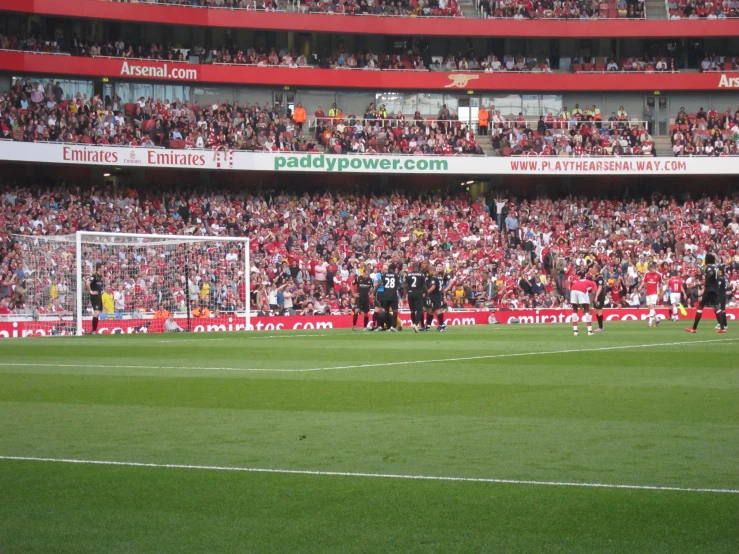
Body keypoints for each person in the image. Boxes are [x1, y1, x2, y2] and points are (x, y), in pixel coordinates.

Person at [685, 254, 725, 333]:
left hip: (709, 289)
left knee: (700, 307)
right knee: (717, 307)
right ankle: (722, 328)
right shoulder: (716, 268)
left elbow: (710, 273)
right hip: (715, 290)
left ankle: (694, 328)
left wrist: (705, 281)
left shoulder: (709, 267)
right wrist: (698, 284)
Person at [377, 263, 400, 332]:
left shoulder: (384, 275)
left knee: (386, 312)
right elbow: (399, 285)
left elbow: (379, 284)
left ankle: (388, 326)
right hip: (393, 295)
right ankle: (393, 326)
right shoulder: (395, 275)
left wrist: (373, 291)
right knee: (395, 311)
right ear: (394, 269)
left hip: (385, 295)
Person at [405, 262, 426, 333]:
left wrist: (404, 296)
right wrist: (427, 295)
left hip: (410, 293)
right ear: (418, 267)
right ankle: (415, 324)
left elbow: (405, 286)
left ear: (412, 267)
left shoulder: (408, 274)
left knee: (412, 311)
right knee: (420, 310)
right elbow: (424, 286)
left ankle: (414, 324)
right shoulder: (421, 275)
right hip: (418, 293)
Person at [641, 263, 663, 328]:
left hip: (654, 293)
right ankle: (657, 319)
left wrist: (661, 293)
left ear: (654, 268)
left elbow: (660, 284)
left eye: (652, 268)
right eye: (650, 269)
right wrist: (640, 287)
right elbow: (644, 282)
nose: (651, 270)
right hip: (648, 293)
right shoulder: (647, 274)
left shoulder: (658, 275)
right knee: (650, 308)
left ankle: (650, 323)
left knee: (652, 306)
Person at [425, 266, 446, 332]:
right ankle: (428, 326)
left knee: (436, 310)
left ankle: (442, 325)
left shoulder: (434, 277)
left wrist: (426, 292)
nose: (429, 273)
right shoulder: (440, 277)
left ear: (431, 271)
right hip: (439, 295)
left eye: (429, 271)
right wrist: (444, 296)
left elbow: (433, 287)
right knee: (430, 310)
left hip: (434, 295)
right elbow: (443, 287)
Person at [86, 262, 105, 334]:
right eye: (103, 267)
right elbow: (88, 283)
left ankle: (95, 330)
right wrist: (91, 291)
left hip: (99, 296)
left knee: (98, 312)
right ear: (99, 268)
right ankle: (93, 330)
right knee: (96, 312)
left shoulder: (100, 277)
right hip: (95, 296)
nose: (104, 269)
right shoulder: (94, 276)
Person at [353, 266, 372, 331]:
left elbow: (372, 287)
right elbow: (351, 285)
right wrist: (354, 294)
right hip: (359, 297)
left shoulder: (370, 280)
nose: (367, 275)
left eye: (368, 274)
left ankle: (365, 327)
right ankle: (354, 325)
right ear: (363, 273)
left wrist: (371, 293)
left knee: (366, 313)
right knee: (357, 310)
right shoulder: (358, 278)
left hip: (366, 298)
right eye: (366, 274)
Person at [592, 265, 607, 332]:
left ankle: (601, 327)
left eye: (593, 268)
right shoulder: (596, 277)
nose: (592, 269)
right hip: (596, 295)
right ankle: (600, 326)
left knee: (599, 310)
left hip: (599, 296)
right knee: (596, 310)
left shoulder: (600, 277)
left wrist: (596, 296)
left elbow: (600, 287)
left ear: (596, 269)